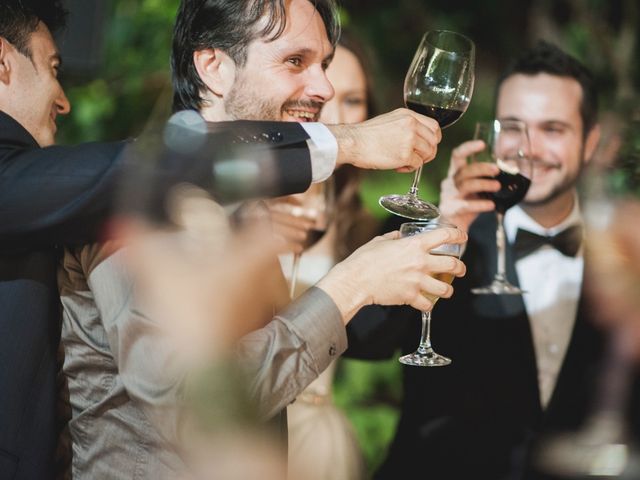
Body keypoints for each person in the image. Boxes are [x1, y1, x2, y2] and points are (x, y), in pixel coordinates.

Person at [0, 0, 460, 476]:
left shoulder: (241, 204)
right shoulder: (149, 203)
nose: (324, 87)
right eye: (294, 61)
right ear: (214, 67)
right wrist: (352, 286)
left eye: (323, 63)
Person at [346, 41, 640, 479]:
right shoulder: (439, 228)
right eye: (515, 128)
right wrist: (447, 230)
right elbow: (363, 341)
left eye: (553, 130)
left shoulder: (622, 255)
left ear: (591, 141)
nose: (531, 149)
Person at [281, 34, 378, 480]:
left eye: (355, 101)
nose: (339, 116)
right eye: (327, 98)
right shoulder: (248, 197)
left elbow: (377, 338)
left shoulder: (359, 223)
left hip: (317, 445)